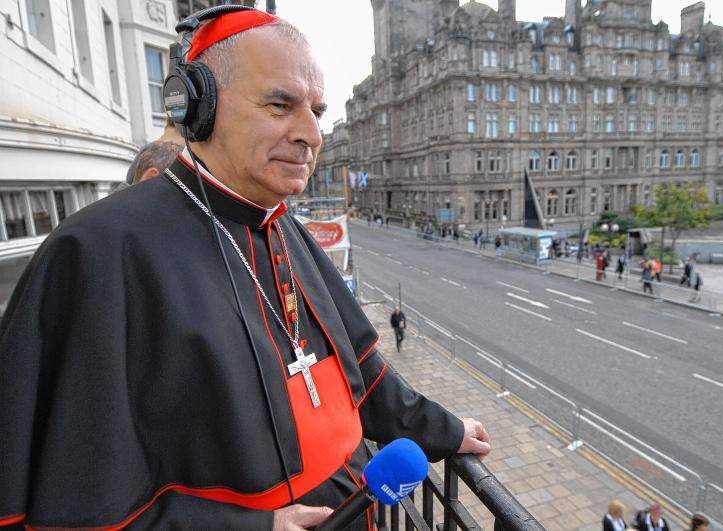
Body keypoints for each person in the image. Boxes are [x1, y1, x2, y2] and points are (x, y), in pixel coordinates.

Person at [0, 9, 491, 530]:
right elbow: (76, 502)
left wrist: (443, 430)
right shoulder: (98, 250)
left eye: (316, 112)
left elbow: (360, 373)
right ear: (199, 108)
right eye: (281, 105)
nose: (311, 134)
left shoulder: (284, 226)